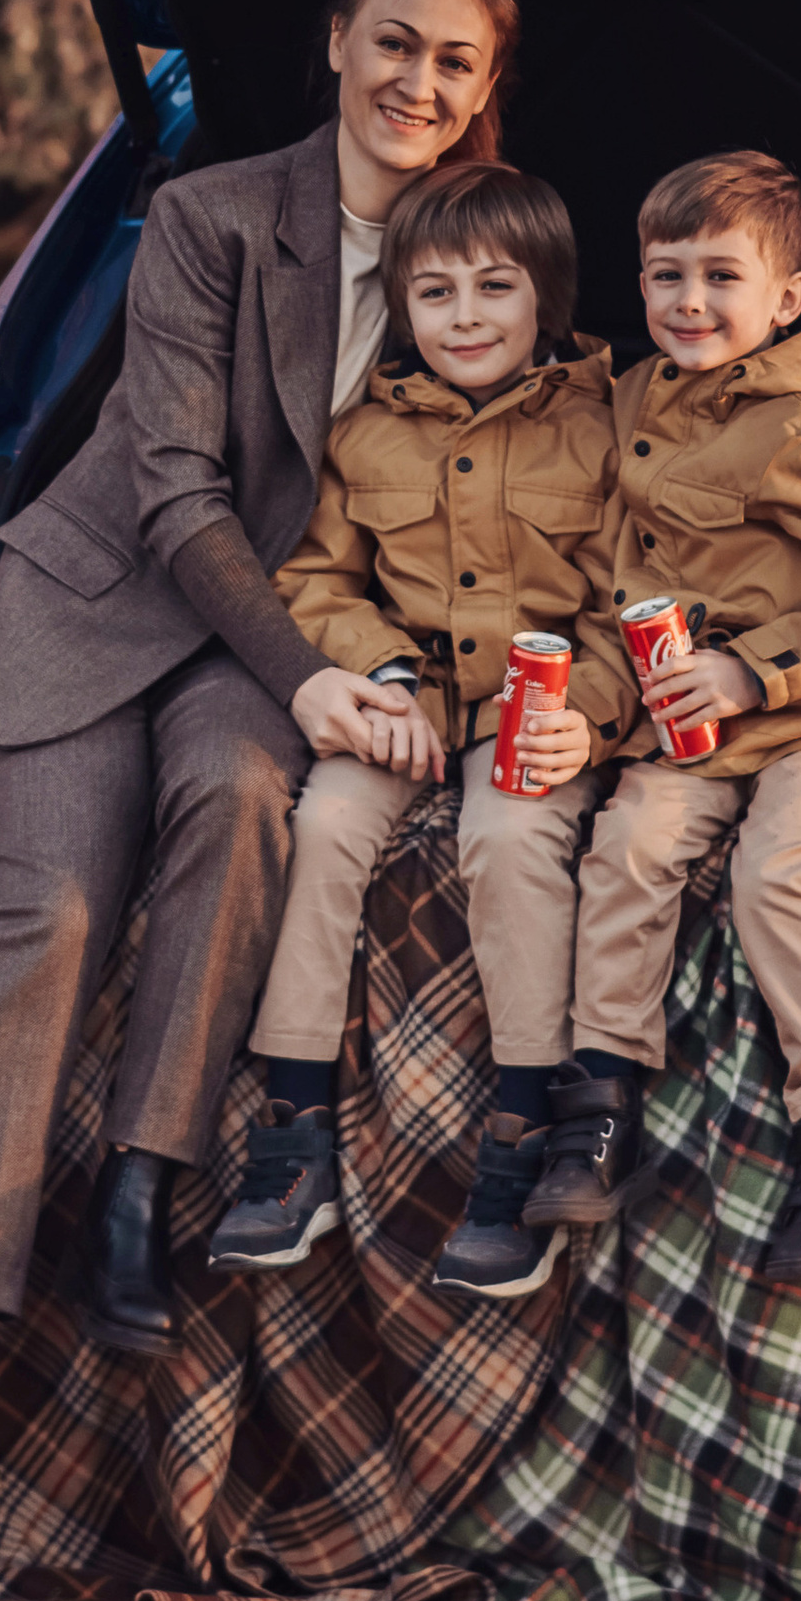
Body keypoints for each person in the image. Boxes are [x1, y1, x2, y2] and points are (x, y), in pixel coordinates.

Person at [0, 0, 524, 1489]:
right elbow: (176, 491)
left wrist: (403, 668)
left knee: (244, 807)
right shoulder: (213, 215)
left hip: (274, 642)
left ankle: (137, 1190)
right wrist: (314, 675)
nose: (417, 83)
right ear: (334, 42)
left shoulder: (488, 249)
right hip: (106, 598)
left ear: (487, 85)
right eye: (394, 43)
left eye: (455, 61)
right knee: (41, 915)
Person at [205, 162, 631, 1302]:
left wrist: (583, 720)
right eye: (433, 294)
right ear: (400, 306)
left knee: (508, 837)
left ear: (548, 294)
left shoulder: (607, 427)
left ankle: (524, 1132)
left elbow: (630, 604)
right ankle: (292, 1136)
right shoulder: (365, 432)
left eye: (494, 289)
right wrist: (374, 669)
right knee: (327, 820)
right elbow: (313, 578)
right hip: (408, 704)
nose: (464, 318)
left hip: (530, 717)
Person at [520, 148, 801, 1286]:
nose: (689, 304)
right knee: (627, 848)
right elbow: (619, 599)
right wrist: (601, 718)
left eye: (720, 277)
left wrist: (755, 672)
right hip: (689, 726)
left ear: (787, 297)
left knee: (776, 875)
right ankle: (596, 1112)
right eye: (665, 277)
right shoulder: (637, 406)